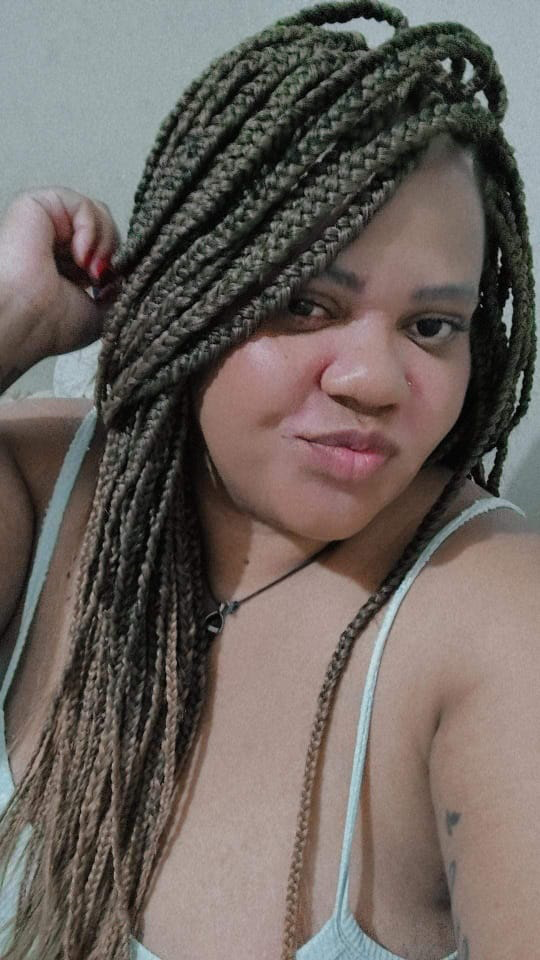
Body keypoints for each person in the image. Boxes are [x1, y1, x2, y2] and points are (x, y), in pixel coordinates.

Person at [0, 1, 538, 958]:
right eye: (303, 302)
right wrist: (11, 319)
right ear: (188, 289)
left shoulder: (493, 615)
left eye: (431, 327)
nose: (373, 381)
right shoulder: (43, 494)